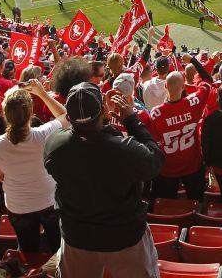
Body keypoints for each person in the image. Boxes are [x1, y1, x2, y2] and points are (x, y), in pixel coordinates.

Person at [43, 81, 164, 277]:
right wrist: (131, 120)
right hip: (124, 238)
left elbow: (88, 144)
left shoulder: (54, 146)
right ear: (102, 113)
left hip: (77, 237)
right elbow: (155, 160)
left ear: (68, 116)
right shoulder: (123, 150)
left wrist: (102, 119)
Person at [0, 81, 67, 255]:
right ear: (30, 112)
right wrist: (42, 94)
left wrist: (7, 173)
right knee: (58, 250)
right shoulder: (44, 133)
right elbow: (65, 116)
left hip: (18, 207)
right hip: (49, 201)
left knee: (28, 252)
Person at [145, 71, 211, 199]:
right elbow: (207, 83)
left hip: (168, 168)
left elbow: (154, 141)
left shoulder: (156, 114)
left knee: (165, 205)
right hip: (193, 165)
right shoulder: (194, 103)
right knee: (197, 200)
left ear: (165, 86)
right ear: (184, 87)